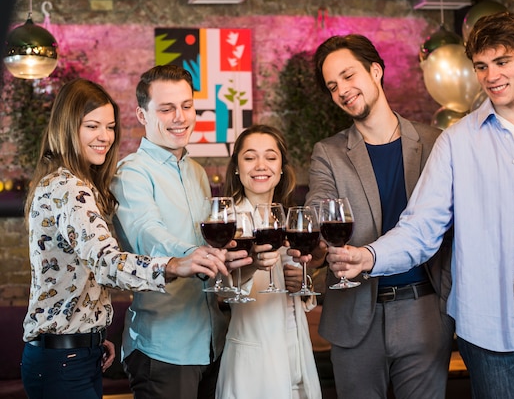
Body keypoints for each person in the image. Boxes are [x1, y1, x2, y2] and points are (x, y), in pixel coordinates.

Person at [326, 13, 514, 399]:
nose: (491, 76)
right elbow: (421, 227)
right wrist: (369, 256)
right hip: (490, 315)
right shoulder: (458, 141)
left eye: (502, 62)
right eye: (482, 66)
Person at [20, 78, 231, 399]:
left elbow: (83, 270)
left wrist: (90, 334)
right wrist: (178, 264)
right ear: (66, 127)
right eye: (92, 126)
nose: (104, 137)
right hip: (64, 358)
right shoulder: (69, 187)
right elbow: (107, 263)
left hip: (75, 350)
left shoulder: (74, 183)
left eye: (109, 126)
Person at [290, 34, 454, 399]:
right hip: (354, 314)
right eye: (333, 86)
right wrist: (310, 240)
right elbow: (318, 206)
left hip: (425, 311)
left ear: (376, 71)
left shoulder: (435, 142)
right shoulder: (328, 153)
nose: (342, 90)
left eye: (349, 76)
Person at [110, 65, 250, 399]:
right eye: (166, 108)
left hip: (212, 341)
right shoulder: (131, 173)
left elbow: (210, 239)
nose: (180, 117)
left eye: (187, 106)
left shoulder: (197, 172)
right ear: (142, 115)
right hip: (164, 350)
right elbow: (148, 234)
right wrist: (193, 255)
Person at [216, 124, 322, 399]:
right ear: (237, 168)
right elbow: (222, 290)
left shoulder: (288, 220)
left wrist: (301, 284)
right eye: (250, 157)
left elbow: (298, 290)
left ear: (282, 168)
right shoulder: (227, 223)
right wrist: (251, 265)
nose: (260, 165)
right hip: (253, 363)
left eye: (271, 157)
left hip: (297, 356)